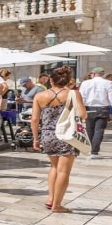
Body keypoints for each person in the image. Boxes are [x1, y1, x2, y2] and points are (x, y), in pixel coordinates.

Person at [31, 66, 83, 212]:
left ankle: (51, 199)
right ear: (67, 81)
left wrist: (36, 138)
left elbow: (34, 119)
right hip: (67, 135)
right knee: (64, 171)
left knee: (54, 167)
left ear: (51, 80)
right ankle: (57, 205)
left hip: (47, 135)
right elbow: (83, 115)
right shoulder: (73, 94)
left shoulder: (40, 96)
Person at [78, 66, 112, 159]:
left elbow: (81, 97)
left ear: (93, 74)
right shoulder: (109, 83)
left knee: (89, 130)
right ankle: (94, 152)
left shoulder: (85, 83)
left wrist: (80, 110)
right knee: (99, 131)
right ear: (102, 74)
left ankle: (89, 149)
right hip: (103, 109)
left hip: (88, 108)